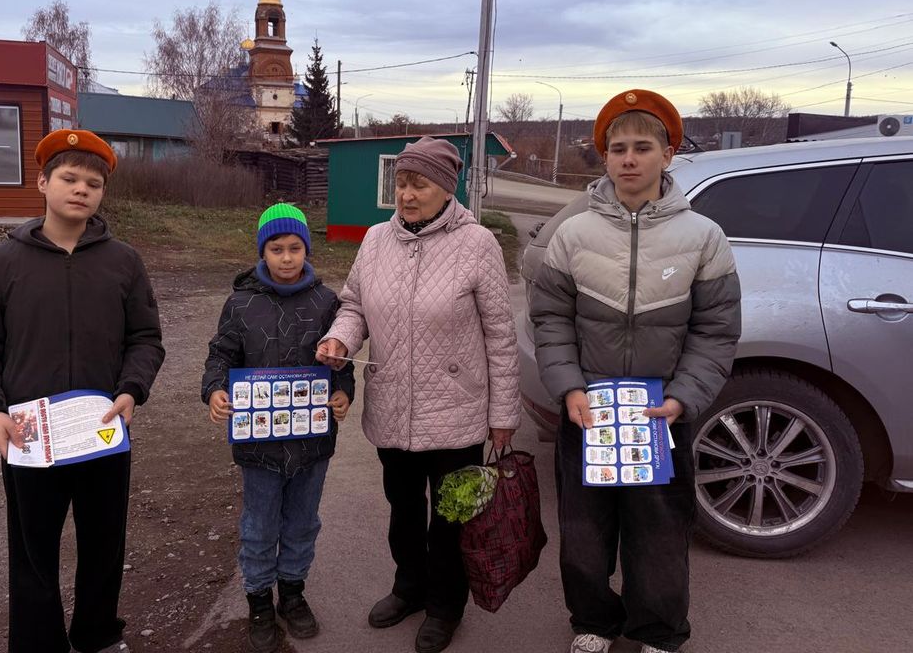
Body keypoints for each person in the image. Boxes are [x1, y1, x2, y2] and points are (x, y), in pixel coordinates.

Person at [529, 89, 742, 653]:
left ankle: (659, 630)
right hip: (587, 413)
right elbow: (550, 319)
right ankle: (593, 622)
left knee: (660, 535)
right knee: (584, 533)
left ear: (667, 155)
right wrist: (568, 387)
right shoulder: (573, 234)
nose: (629, 159)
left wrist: (683, 398)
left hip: (662, 416)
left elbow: (716, 331)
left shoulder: (703, 237)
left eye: (642, 148)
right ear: (604, 157)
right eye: (618, 148)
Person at [0, 129, 165, 653]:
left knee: (103, 546)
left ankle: (97, 635)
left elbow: (145, 339)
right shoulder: (3, 263)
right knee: (32, 553)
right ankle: (37, 643)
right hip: (28, 436)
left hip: (102, 431)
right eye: (70, 178)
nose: (81, 190)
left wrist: (131, 390)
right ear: (43, 182)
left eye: (94, 183)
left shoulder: (123, 262)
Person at [316, 137, 520, 653]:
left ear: (447, 189)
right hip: (392, 406)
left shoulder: (478, 245)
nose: (406, 195)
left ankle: (445, 606)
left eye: (419, 185)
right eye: (401, 183)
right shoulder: (375, 240)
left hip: (457, 413)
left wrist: (503, 414)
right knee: (403, 509)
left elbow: (500, 335)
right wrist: (340, 339)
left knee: (451, 518)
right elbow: (354, 305)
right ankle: (408, 588)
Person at [203, 203, 355, 653]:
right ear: (262, 252)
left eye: (294, 248)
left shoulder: (327, 302)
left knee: (303, 521)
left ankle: (292, 591)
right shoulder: (240, 303)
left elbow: (341, 359)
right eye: (276, 249)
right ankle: (258, 600)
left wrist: (343, 391)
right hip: (259, 447)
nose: (286, 258)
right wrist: (214, 391)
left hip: (312, 441)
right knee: (259, 524)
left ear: (306, 250)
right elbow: (220, 355)